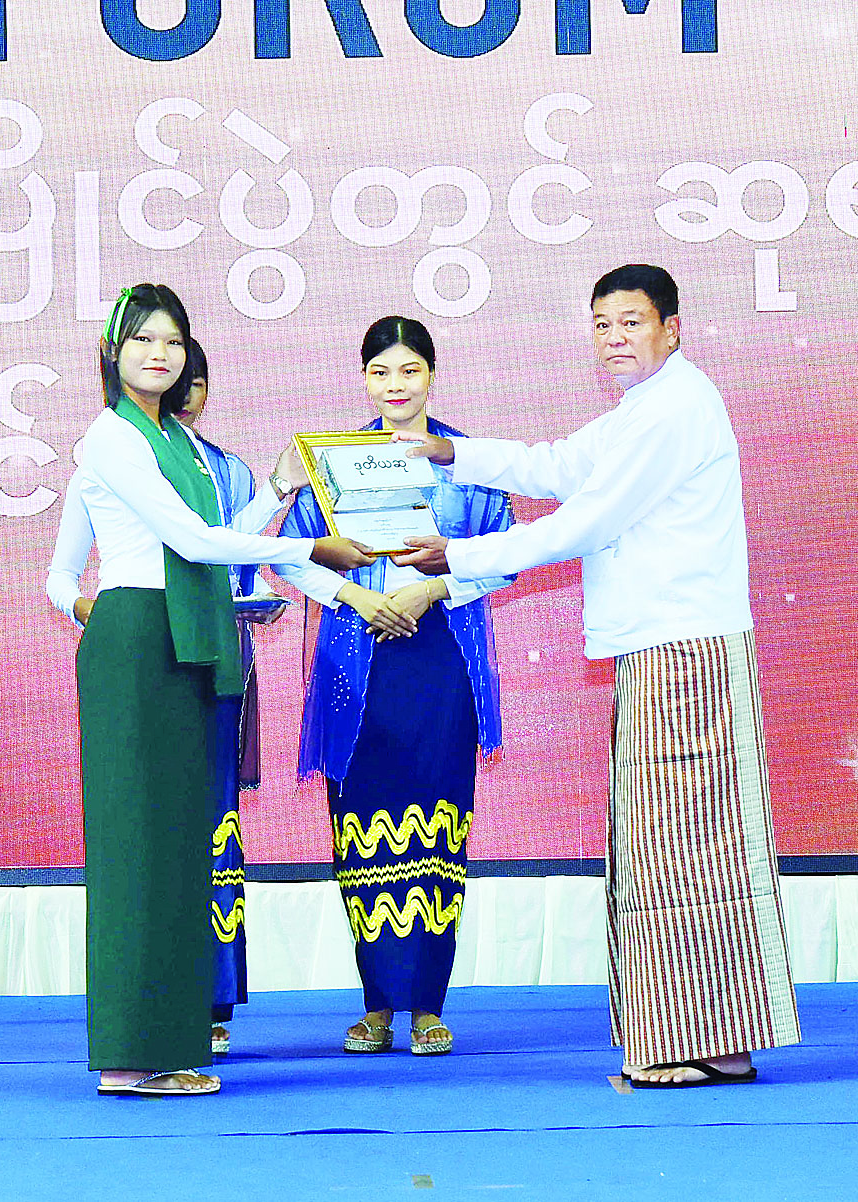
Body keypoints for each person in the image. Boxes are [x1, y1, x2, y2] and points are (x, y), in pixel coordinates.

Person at [391, 266, 801, 1087]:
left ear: (671, 329)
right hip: (666, 649)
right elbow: (556, 466)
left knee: (677, 849)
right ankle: (712, 1039)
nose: (615, 338)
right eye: (603, 324)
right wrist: (451, 451)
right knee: (679, 846)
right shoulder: (644, 408)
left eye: (632, 322)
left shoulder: (675, 409)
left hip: (684, 652)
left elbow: (586, 519)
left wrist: (458, 557)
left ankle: (690, 1043)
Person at [46, 283, 372, 1096]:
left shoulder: (179, 444)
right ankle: (130, 1057)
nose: (159, 353)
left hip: (184, 644)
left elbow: (217, 538)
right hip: (140, 642)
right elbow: (190, 543)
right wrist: (308, 552)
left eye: (172, 341)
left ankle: (167, 1043)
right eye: (142, 339)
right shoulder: (111, 438)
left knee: (175, 849)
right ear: (112, 352)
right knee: (136, 849)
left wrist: (281, 490)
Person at [272, 316, 514, 1055]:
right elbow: (288, 555)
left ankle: (427, 1007)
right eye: (381, 372)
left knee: (440, 821)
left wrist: (432, 590)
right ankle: (377, 1004)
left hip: (441, 657)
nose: (396, 385)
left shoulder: (465, 463)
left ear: (432, 374)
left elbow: (507, 554)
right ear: (364, 379)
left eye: (410, 370)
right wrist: (354, 595)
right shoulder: (331, 463)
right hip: (358, 661)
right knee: (361, 827)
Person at [173, 340, 269, 1056]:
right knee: (162, 822)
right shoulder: (126, 455)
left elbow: (241, 566)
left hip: (221, 660)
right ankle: (160, 995)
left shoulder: (231, 469)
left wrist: (256, 597)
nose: (185, 390)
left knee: (215, 819)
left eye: (196, 379)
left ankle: (212, 1000)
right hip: (155, 654)